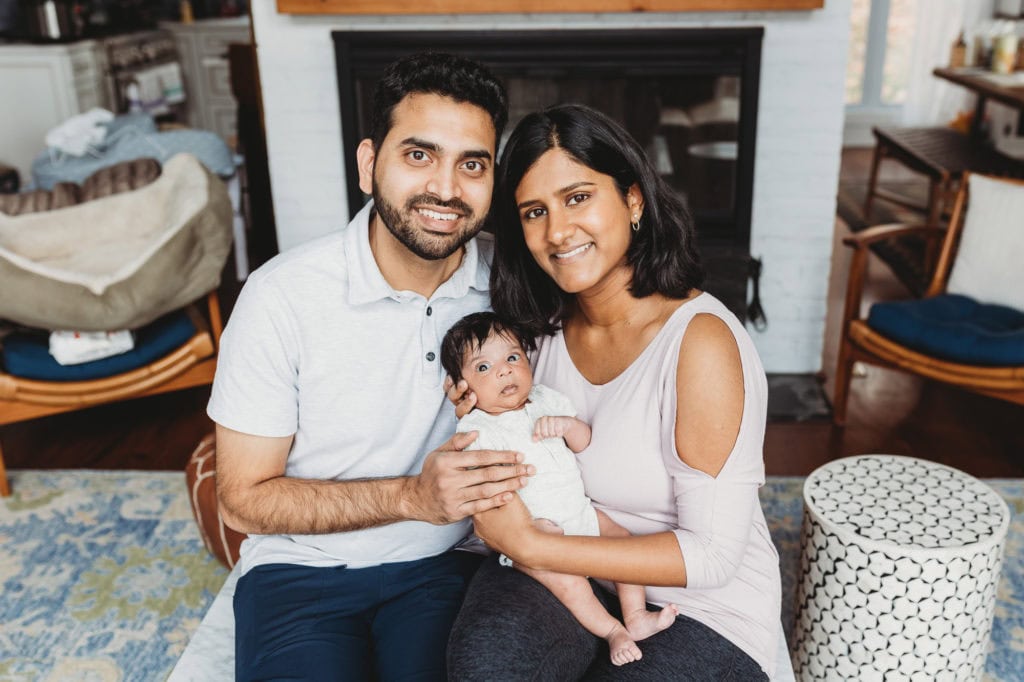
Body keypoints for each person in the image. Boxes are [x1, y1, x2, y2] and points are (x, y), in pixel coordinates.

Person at [206, 52, 534, 681]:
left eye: (472, 164)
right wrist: (411, 496)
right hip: (298, 574)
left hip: (445, 564)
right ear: (368, 164)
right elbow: (242, 501)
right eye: (419, 155)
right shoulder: (281, 295)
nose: (445, 188)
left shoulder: (513, 285)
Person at [445, 104, 782, 680]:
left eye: (578, 198)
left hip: (700, 606)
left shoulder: (699, 342)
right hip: (566, 575)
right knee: (487, 666)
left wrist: (533, 546)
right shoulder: (535, 338)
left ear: (633, 199)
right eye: (534, 211)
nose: (556, 232)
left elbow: (713, 557)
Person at [439, 311, 679, 666]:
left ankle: (637, 616)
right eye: (483, 368)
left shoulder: (546, 400)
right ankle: (613, 631)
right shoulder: (477, 430)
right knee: (570, 585)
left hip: (579, 513)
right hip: (534, 533)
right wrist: (528, 530)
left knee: (624, 542)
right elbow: (484, 493)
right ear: (462, 387)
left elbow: (583, 442)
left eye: (512, 357)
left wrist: (568, 425)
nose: (504, 370)